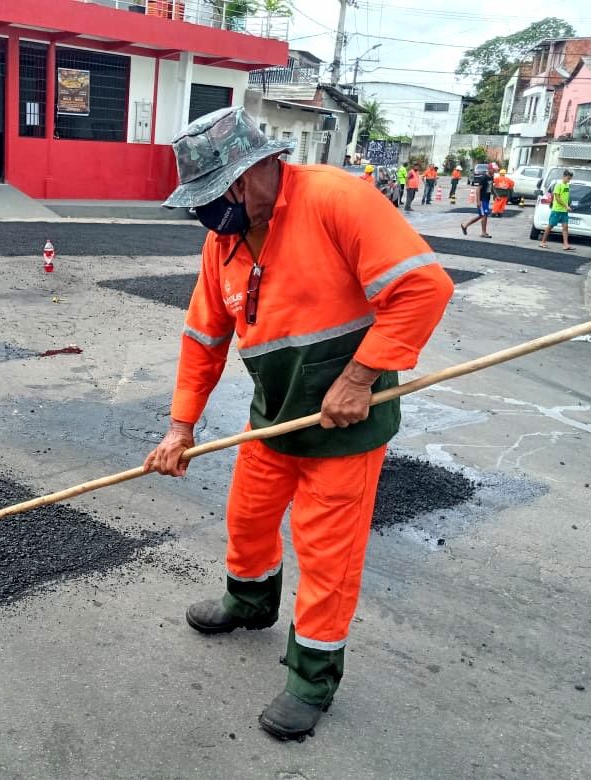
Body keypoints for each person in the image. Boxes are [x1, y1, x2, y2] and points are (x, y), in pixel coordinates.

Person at [150, 106, 454, 742]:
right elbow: (203, 337)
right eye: (202, 200)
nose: (213, 212)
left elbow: (424, 288)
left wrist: (358, 378)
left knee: (326, 555)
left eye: (220, 194)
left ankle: (312, 678)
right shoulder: (224, 241)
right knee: (249, 517)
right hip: (274, 417)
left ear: (259, 170)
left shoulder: (338, 200)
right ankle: (250, 601)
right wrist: (181, 427)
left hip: (345, 424)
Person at [540, 169, 574, 250]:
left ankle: (566, 245)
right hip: (556, 210)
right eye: (568, 178)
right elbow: (557, 198)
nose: (569, 180)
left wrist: (568, 204)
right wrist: (566, 206)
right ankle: (542, 242)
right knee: (550, 226)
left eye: (570, 179)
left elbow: (565, 197)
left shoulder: (567, 185)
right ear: (564, 176)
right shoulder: (558, 185)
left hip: (564, 211)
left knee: (565, 227)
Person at [460, 164, 493, 238]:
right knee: (484, 215)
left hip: (486, 199)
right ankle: (483, 232)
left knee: (482, 215)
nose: (494, 171)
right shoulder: (483, 177)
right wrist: (478, 201)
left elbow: (490, 187)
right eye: (493, 169)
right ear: (489, 169)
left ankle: (465, 225)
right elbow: (478, 189)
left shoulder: (491, 177)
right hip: (482, 200)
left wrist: (495, 195)